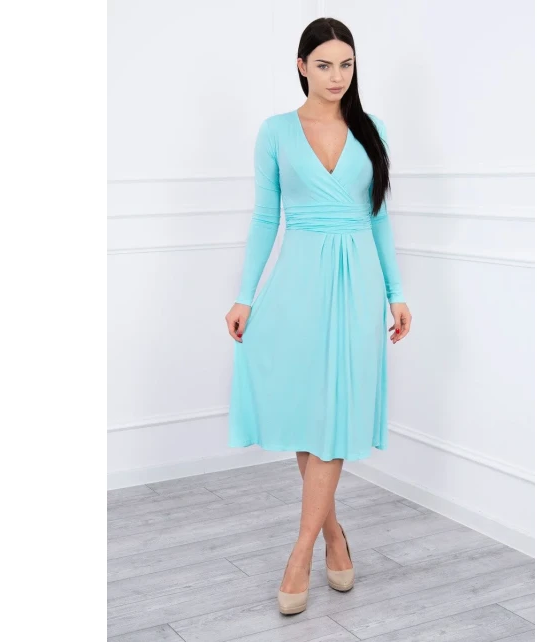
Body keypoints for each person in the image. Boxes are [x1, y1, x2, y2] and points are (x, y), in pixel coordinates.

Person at [224, 17, 412, 615]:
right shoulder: (276, 131)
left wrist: (396, 292)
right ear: (302, 66)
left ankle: (300, 551)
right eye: (325, 64)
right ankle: (333, 534)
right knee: (309, 409)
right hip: (297, 280)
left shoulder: (372, 129)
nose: (337, 76)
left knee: (334, 409)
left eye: (346, 64)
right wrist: (245, 295)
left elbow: (379, 216)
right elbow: (265, 217)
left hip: (358, 281)